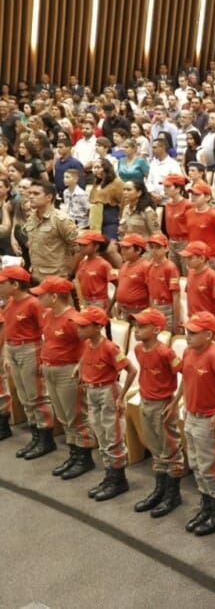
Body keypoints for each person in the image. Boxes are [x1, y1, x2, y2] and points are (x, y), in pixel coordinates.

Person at [170, 311, 215, 536]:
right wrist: (180, 401)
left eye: (193, 332)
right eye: (187, 331)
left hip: (210, 418)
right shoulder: (189, 351)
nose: (187, 336)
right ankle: (207, 506)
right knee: (197, 464)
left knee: (211, 467)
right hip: (192, 415)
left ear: (209, 334)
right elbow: (186, 380)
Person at [73, 305, 137, 501]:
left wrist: (121, 396)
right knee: (100, 434)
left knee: (113, 436)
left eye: (83, 326)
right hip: (92, 392)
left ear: (97, 326)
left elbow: (131, 370)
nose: (79, 330)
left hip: (108, 392)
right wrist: (80, 369)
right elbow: (85, 358)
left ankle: (119, 480)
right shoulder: (87, 344)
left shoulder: (110, 347)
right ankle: (110, 475)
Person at [33, 276, 92, 479]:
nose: (38, 297)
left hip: (67, 371)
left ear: (55, 296)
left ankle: (84, 458)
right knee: (64, 417)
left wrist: (81, 366)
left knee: (75, 416)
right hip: (51, 369)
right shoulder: (49, 315)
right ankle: (74, 454)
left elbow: (88, 345)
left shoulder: (73, 319)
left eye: (42, 294)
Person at [130, 307, 184, 517]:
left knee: (169, 449)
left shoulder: (165, 352)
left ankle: (173, 494)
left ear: (156, 329)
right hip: (145, 401)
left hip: (162, 404)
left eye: (142, 326)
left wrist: (176, 402)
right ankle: (159, 489)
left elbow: (185, 375)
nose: (136, 330)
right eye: (135, 325)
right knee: (154, 447)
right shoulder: (138, 349)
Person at [0, 265, 57, 459]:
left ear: (15, 284)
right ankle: (35, 436)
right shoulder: (9, 302)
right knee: (24, 396)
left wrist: (43, 357)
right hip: (14, 349)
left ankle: (45, 437)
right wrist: (7, 354)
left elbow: (45, 331)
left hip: (30, 349)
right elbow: (8, 328)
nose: (0, 286)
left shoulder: (33, 304)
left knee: (37, 396)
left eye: (3, 283)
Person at [23, 180, 79, 279]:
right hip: (36, 274)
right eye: (30, 193)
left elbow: (78, 248)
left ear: (49, 197)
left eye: (36, 194)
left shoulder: (61, 219)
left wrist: (69, 273)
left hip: (56, 277)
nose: (31, 197)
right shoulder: (32, 218)